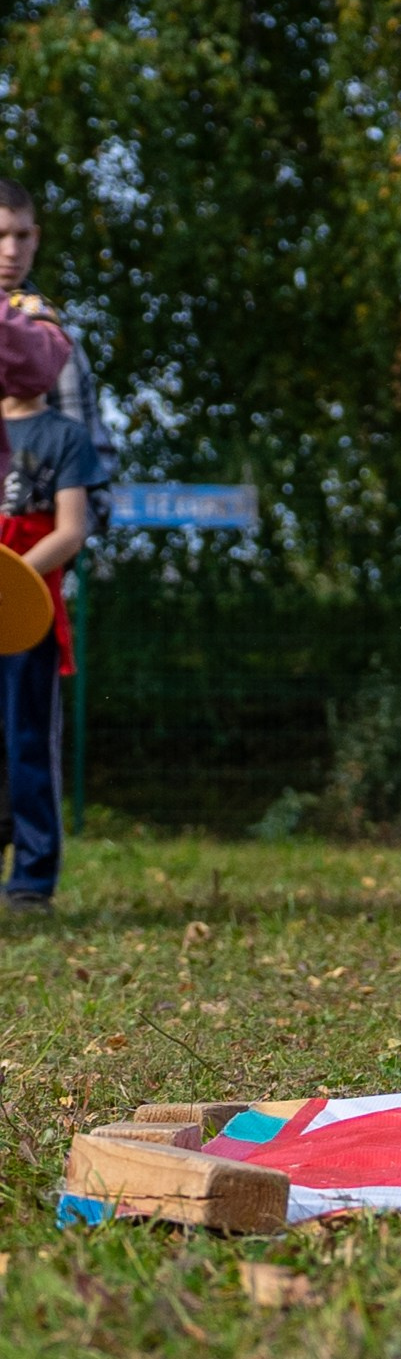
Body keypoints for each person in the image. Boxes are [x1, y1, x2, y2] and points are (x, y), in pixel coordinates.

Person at [0, 286, 99, 913]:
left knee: (27, 741)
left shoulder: (67, 437)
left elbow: (71, 529)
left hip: (29, 615)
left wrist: (9, 575)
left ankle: (33, 879)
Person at [0, 180, 117, 528]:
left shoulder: (48, 335)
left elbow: (90, 470)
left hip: (27, 543)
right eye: (0, 235)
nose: (10, 251)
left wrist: (53, 541)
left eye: (21, 236)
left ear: (36, 238)